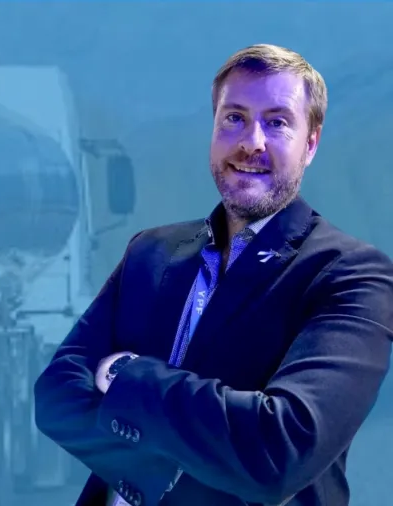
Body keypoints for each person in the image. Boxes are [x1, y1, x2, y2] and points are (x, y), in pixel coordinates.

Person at [34, 43, 393, 506]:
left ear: (310, 143)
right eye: (234, 118)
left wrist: (127, 374)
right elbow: (56, 396)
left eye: (277, 122)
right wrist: (164, 465)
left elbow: (279, 450)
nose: (252, 142)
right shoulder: (150, 252)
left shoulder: (352, 276)